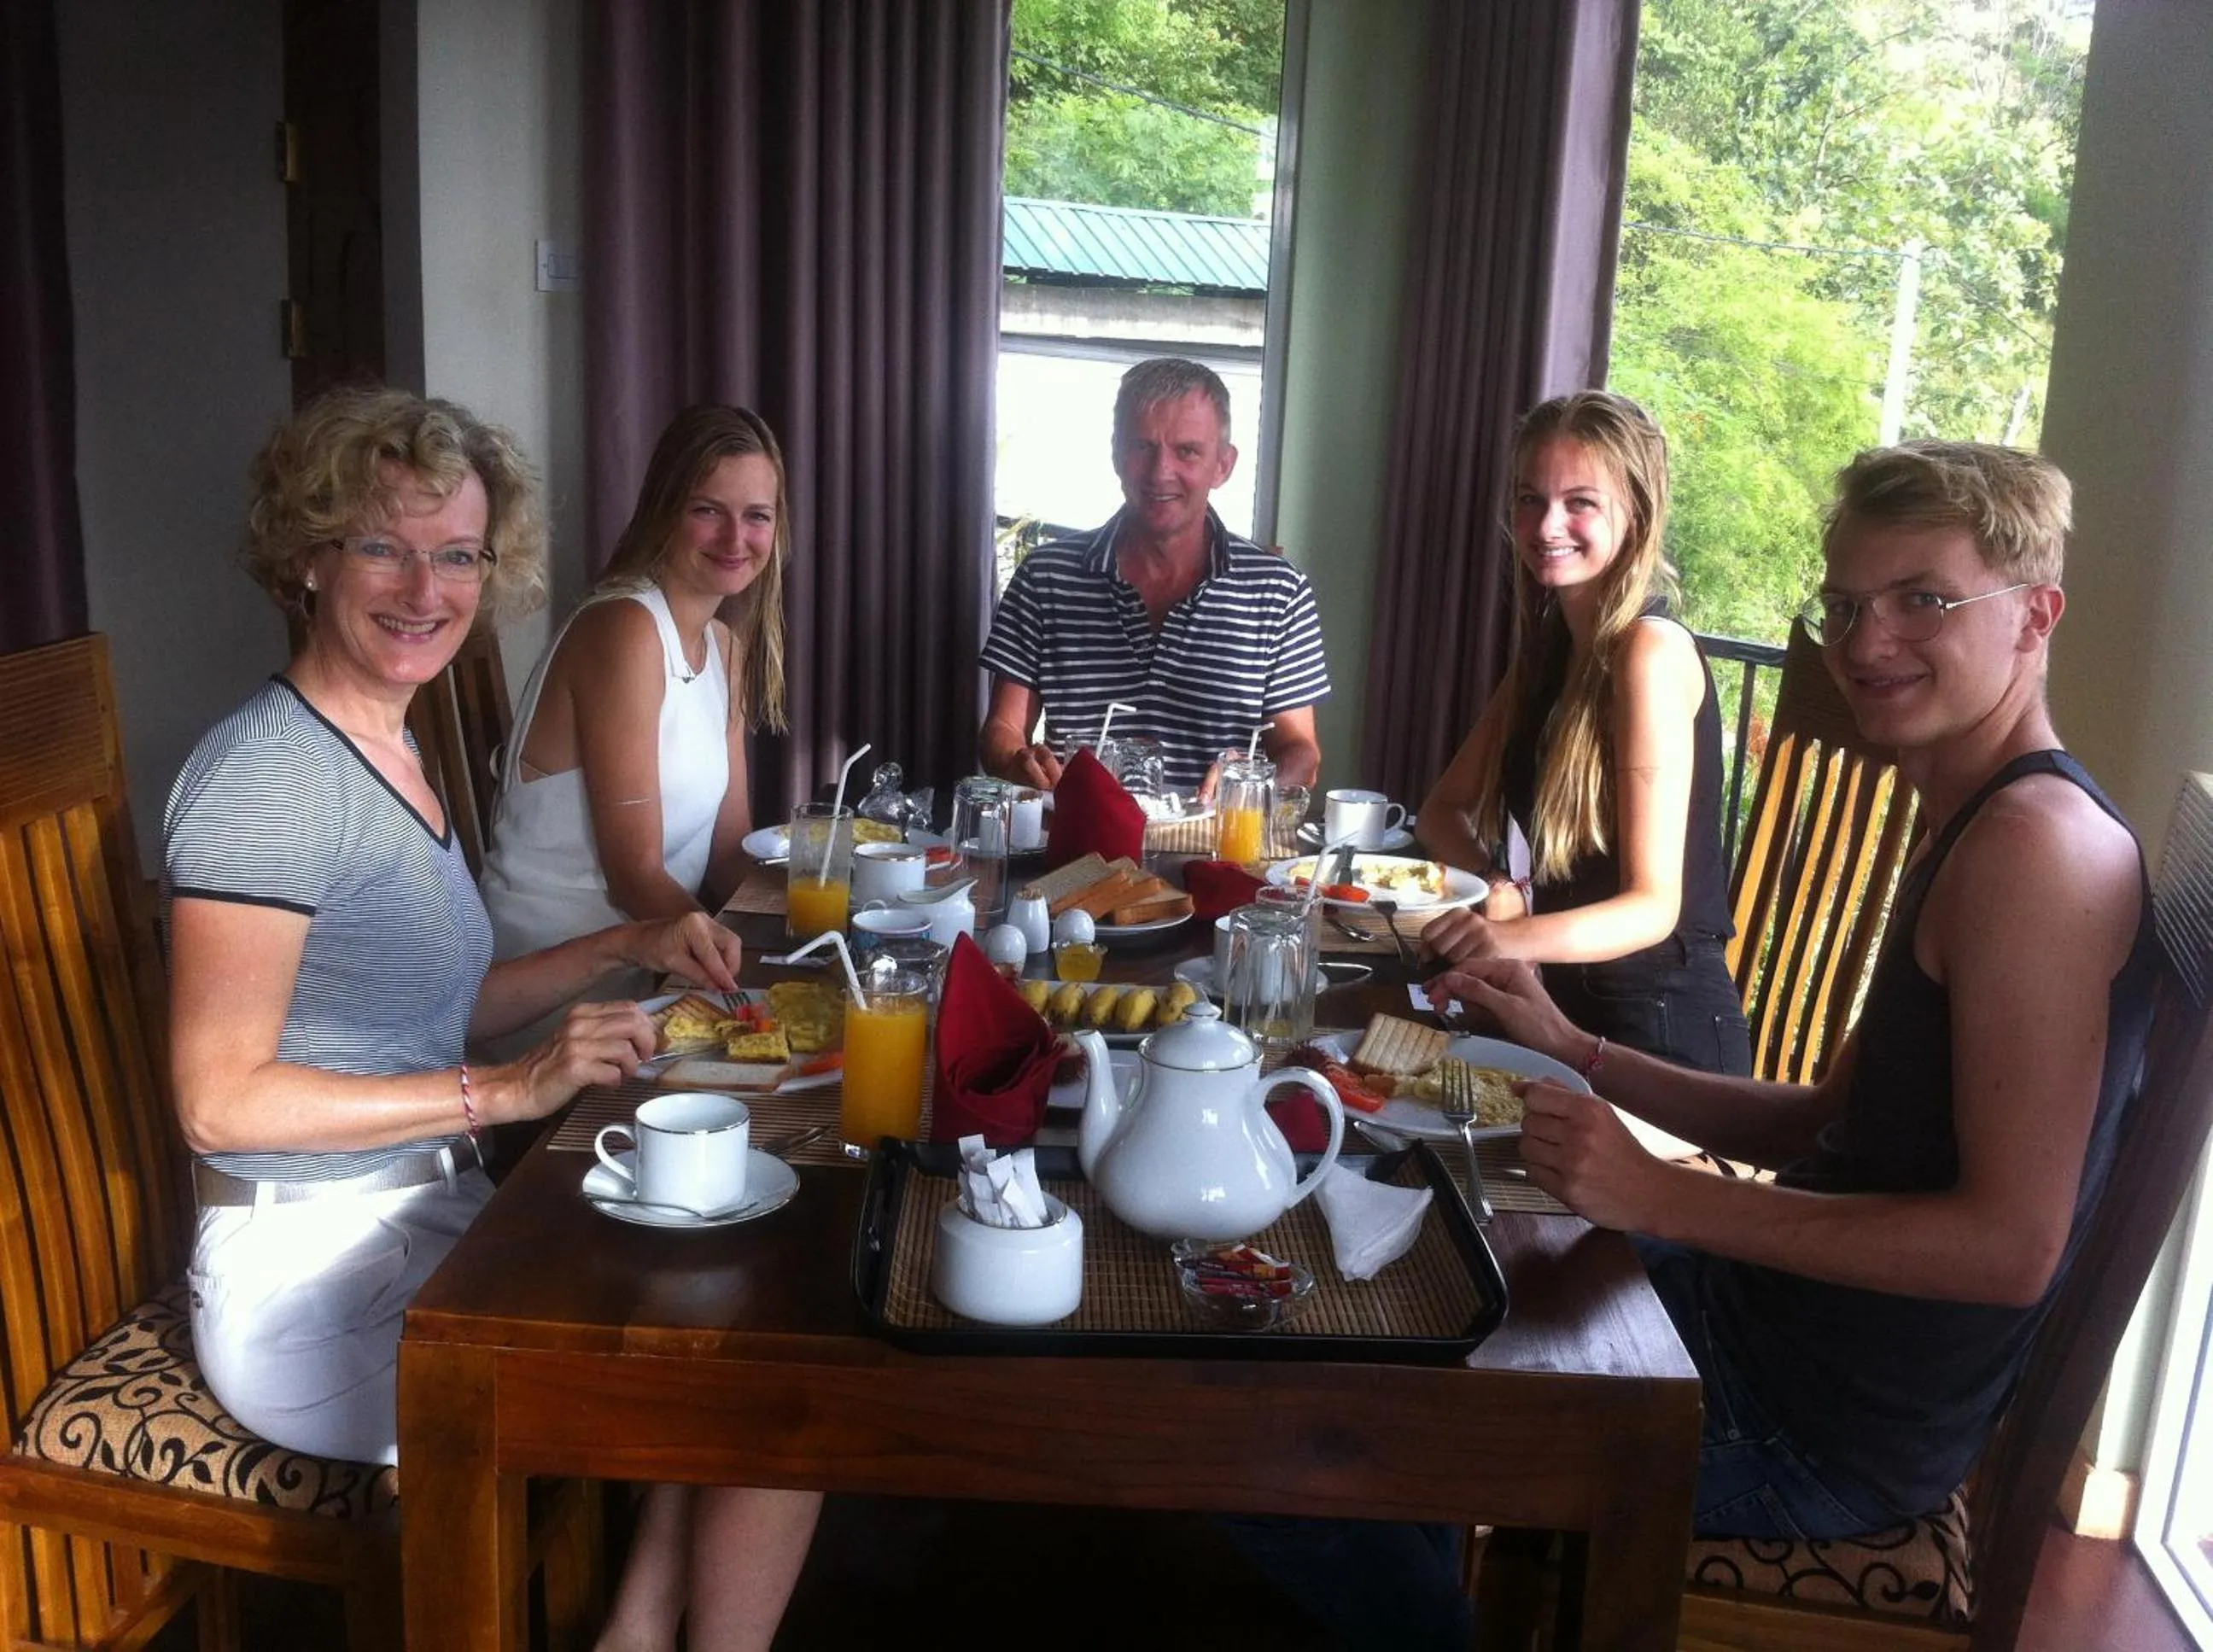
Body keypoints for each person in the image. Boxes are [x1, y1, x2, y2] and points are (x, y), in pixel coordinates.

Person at [165, 387, 815, 1651]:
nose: (426, 588)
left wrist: (624, 943)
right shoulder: (264, 778)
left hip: (427, 1217)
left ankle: (629, 1632)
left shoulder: (388, 748)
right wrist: (505, 1091)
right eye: (381, 546)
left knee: (746, 1325)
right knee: (769, 1397)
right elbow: (219, 1096)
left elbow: (437, 1004)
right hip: (308, 1281)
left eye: (455, 553)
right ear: (306, 556)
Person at [1431, 441, 2158, 1539]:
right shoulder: (1973, 820)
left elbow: (2012, 1248)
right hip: (1765, 1326)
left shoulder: (2039, 855)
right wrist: (1573, 1047)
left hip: (1810, 1428)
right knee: (1446, 1266)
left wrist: (1660, 1196)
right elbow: (1827, 1121)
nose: (1868, 642)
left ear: (2035, 614)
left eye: (1925, 600)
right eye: (1846, 604)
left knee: (1352, 1415)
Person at [1414, 390, 1749, 1076]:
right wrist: (1492, 881)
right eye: (1529, 499)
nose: (1546, 524)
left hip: (1658, 1037)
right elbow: (1440, 810)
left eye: (1580, 502)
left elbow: (1652, 909)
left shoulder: (1647, 651)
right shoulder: (1548, 651)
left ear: (1638, 510)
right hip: (1560, 1012)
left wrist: (1502, 938)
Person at [480, 404, 789, 1013]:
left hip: (650, 973)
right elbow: (635, 874)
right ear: (665, 512)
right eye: (708, 510)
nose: (736, 539)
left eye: (757, 516)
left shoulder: (725, 647)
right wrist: (749, 974)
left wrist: (810, 925)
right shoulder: (625, 628)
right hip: (554, 992)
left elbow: (730, 854)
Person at [978, 357, 1329, 797]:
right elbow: (1003, 727)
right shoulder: (1045, 578)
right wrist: (1020, 764)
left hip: (1218, 851)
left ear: (1223, 465)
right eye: (1142, 447)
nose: (1161, 472)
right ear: (1116, 455)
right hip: (1080, 850)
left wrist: (1251, 788)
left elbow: (1301, 751)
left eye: (1187, 451)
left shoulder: (1278, 590)